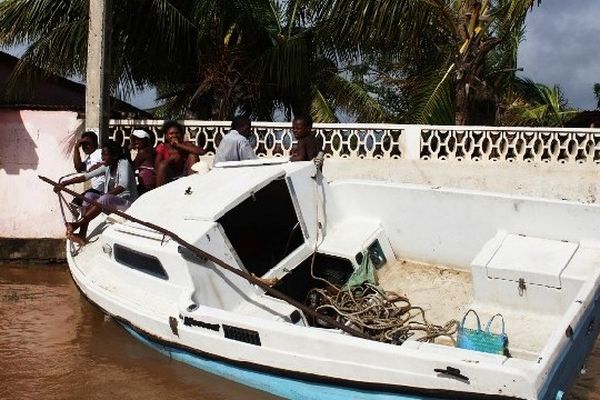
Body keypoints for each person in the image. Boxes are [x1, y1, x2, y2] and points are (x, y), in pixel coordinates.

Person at [57, 141, 138, 246]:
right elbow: (86, 176)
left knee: (104, 198)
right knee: (88, 196)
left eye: (105, 154)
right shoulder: (107, 166)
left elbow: (123, 185)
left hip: (127, 204)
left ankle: (77, 224)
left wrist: (105, 197)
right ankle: (82, 234)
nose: (102, 157)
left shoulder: (123, 163)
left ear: (115, 156)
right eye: (102, 154)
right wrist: (64, 183)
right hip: (111, 203)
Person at [155, 121, 205, 187]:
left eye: (177, 133)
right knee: (162, 165)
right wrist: (171, 159)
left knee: (193, 155)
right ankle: (158, 193)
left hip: (185, 174)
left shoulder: (185, 144)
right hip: (169, 175)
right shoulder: (162, 147)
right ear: (166, 136)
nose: (174, 136)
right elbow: (157, 167)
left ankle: (191, 186)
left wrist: (179, 145)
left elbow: (202, 152)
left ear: (181, 134)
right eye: (171, 133)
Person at [72, 130, 104, 195]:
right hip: (96, 191)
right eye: (83, 144)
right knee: (77, 201)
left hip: (104, 190)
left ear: (95, 144)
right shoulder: (89, 158)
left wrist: (99, 166)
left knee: (78, 201)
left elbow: (111, 161)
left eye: (88, 144)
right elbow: (79, 168)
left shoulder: (99, 152)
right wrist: (76, 147)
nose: (86, 147)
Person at [130, 129, 156, 194]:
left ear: (146, 140)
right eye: (135, 140)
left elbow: (132, 166)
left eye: (139, 140)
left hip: (146, 187)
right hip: (149, 185)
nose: (136, 142)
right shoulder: (150, 149)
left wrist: (128, 150)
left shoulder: (143, 152)